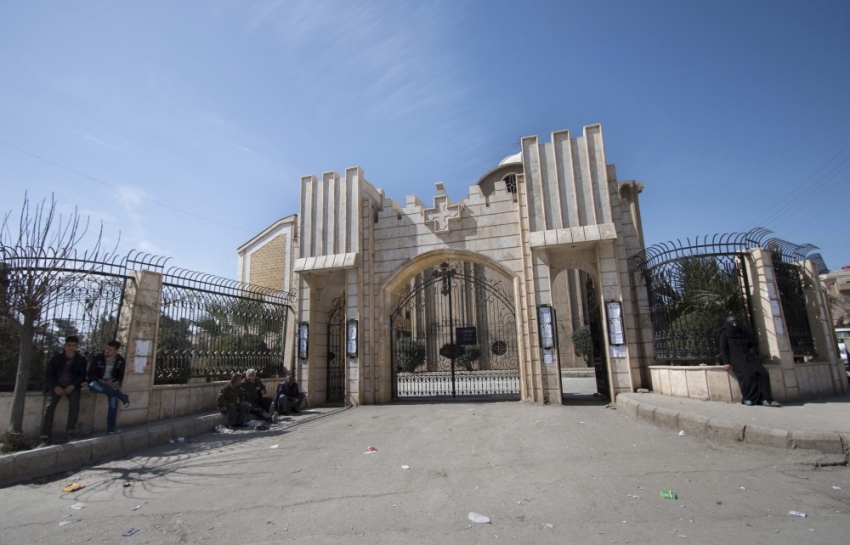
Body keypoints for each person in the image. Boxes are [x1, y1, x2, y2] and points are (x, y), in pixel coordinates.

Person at [720, 316, 781, 407]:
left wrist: (752, 349)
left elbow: (753, 341)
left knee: (763, 374)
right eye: (732, 323)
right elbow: (723, 349)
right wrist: (726, 362)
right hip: (736, 358)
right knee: (748, 375)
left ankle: (765, 398)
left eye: (736, 322)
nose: (735, 324)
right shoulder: (725, 335)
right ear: (728, 324)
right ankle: (749, 398)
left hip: (749, 357)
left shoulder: (743, 333)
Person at [38, 336, 88, 448]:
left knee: (74, 404)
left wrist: (73, 385)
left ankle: (70, 432)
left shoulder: (81, 359)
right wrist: (55, 386)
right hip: (56, 386)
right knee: (49, 406)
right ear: (65, 346)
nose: (71, 348)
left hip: (72, 386)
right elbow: (49, 374)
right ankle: (45, 437)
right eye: (69, 345)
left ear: (77, 347)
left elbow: (82, 375)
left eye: (74, 345)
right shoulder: (56, 359)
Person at [87, 340, 130, 435]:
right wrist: (104, 382)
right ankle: (122, 396)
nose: (106, 351)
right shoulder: (98, 357)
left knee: (113, 401)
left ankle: (111, 427)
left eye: (110, 350)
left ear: (116, 351)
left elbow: (120, 376)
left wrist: (115, 383)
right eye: (106, 348)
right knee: (92, 385)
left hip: (111, 385)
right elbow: (91, 374)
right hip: (98, 383)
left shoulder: (120, 360)